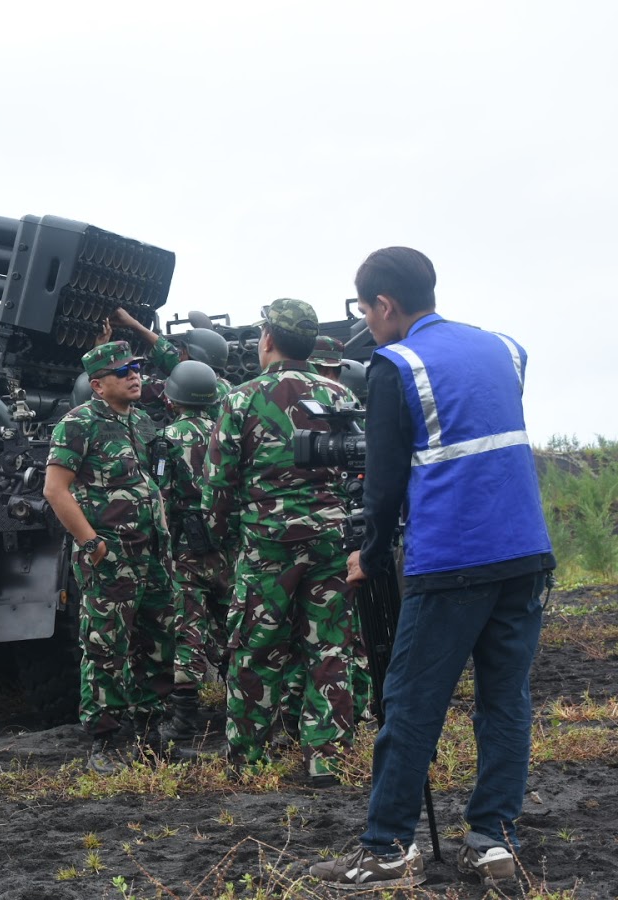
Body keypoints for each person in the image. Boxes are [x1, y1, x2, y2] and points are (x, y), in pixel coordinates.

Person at [308, 248, 556, 890]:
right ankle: (493, 841)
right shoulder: (505, 347)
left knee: (411, 704)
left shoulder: (395, 366)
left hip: (452, 559)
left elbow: (384, 484)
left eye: (366, 312)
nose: (368, 324)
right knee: (506, 700)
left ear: (385, 306)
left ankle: (388, 849)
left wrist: (364, 551)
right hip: (525, 552)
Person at [203, 300, 357, 785]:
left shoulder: (241, 399)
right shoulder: (338, 394)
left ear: (267, 338)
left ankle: (249, 760)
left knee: (255, 648)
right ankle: (326, 758)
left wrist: (224, 540)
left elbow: (218, 485)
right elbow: (357, 468)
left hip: (267, 544)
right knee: (329, 646)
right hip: (332, 538)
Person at [42, 340, 177, 772]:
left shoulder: (143, 422)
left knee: (157, 640)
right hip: (110, 554)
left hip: (151, 552)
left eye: (136, 367)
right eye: (123, 371)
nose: (134, 375)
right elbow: (54, 490)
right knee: (106, 645)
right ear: (98, 385)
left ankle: (152, 734)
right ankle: (106, 741)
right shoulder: (78, 424)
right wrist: (91, 543)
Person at [151, 359, 228, 743]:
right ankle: (248, 708)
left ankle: (184, 723)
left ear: (173, 397)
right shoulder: (224, 430)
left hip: (187, 550)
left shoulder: (166, 439)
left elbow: (161, 499)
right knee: (236, 625)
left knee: (188, 629)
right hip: (228, 545)